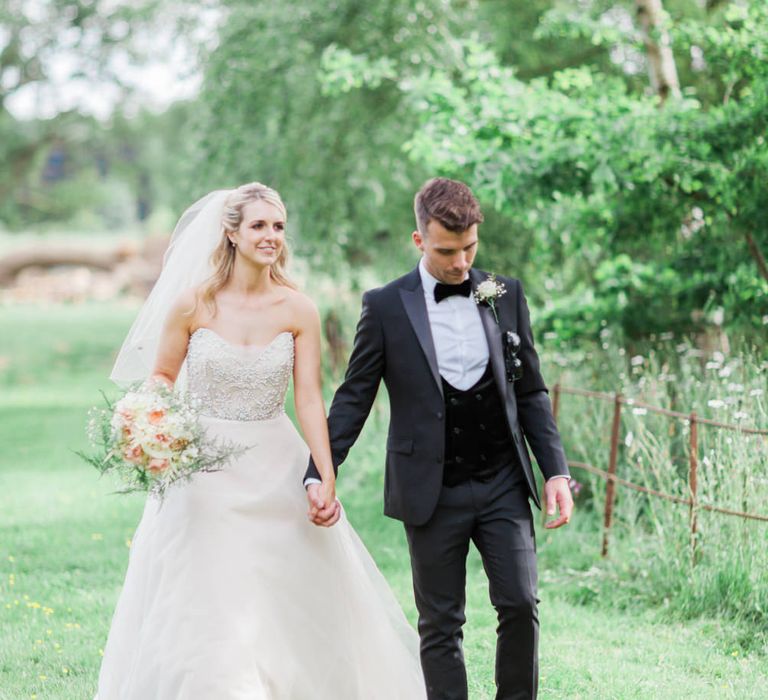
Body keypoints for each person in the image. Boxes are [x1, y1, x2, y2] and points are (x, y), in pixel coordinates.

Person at [95, 183, 426, 699]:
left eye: (277, 226)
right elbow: (161, 374)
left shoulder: (298, 309)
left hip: (276, 464)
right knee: (210, 594)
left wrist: (324, 475)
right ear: (231, 232)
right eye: (258, 225)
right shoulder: (192, 304)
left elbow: (311, 399)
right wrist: (148, 418)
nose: (271, 236)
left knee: (282, 593)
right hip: (201, 469)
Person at [305, 177, 573, 700]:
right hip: (430, 488)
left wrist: (556, 472)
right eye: (447, 250)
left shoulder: (506, 293)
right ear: (418, 239)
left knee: (520, 602)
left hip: (501, 478)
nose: (461, 263)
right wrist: (321, 471)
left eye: (470, 247)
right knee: (440, 622)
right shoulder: (384, 307)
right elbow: (354, 397)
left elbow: (533, 392)